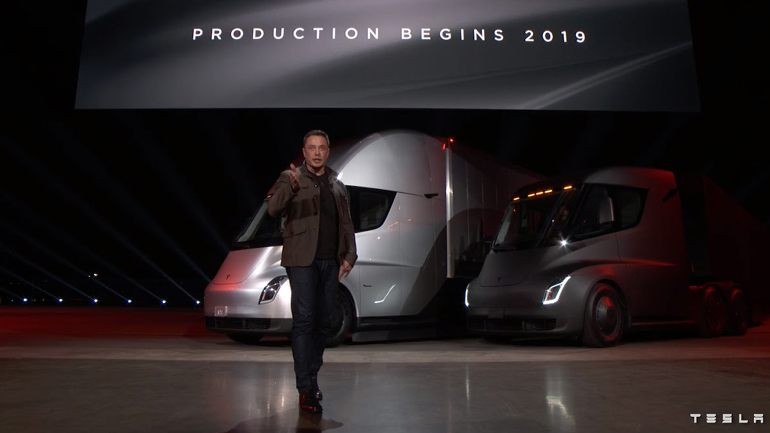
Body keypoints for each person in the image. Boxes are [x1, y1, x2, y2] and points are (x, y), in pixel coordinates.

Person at [267, 129, 357, 414]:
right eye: (311, 147)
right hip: (301, 260)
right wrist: (291, 188)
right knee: (304, 320)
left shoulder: (336, 182)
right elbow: (273, 209)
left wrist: (350, 255)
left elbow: (346, 222)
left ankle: (311, 375)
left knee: (325, 321)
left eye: (321, 148)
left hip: (330, 262)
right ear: (304, 152)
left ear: (327, 152)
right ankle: (305, 387)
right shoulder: (290, 177)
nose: (316, 152)